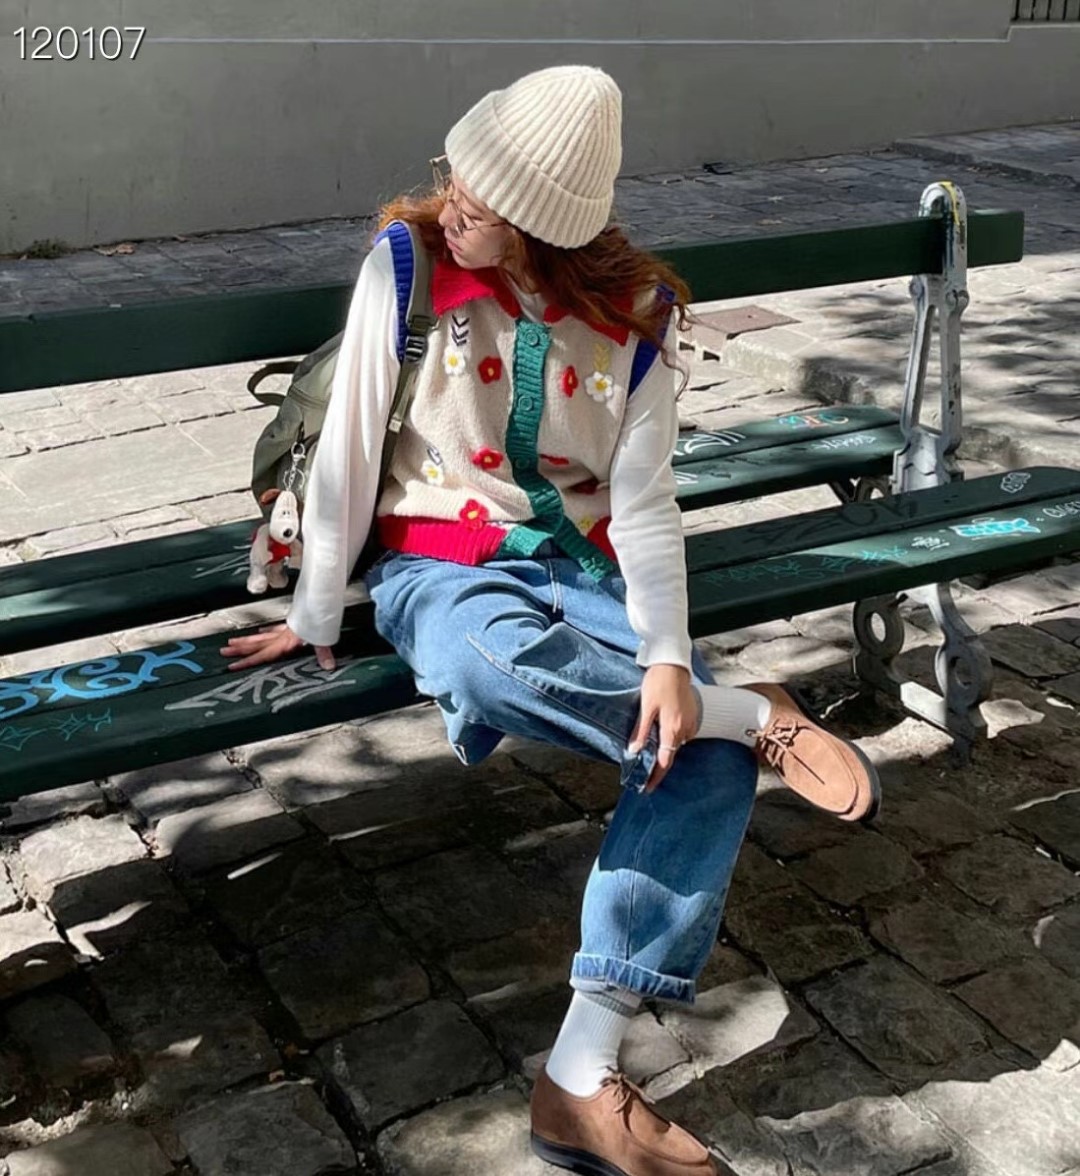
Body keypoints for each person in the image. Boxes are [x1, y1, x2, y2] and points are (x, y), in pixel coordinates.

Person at [223, 65, 879, 1176]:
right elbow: (349, 444)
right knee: (489, 665)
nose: (453, 203)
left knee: (695, 755)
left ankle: (580, 1077)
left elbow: (646, 505)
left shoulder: (636, 320)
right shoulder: (408, 267)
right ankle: (746, 710)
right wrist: (316, 605)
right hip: (436, 563)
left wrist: (664, 657)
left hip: (585, 567)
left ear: (544, 222)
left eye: (482, 199)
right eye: (453, 176)